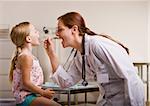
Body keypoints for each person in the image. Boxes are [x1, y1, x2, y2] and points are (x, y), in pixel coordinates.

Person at [44, 12, 145, 106]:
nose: (56, 34)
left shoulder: (97, 44)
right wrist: (51, 54)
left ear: (74, 29)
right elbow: (65, 83)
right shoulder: (80, 55)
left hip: (127, 100)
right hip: (107, 100)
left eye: (60, 29)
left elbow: (130, 77)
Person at [9, 22, 61, 106]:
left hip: (31, 95)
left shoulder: (28, 56)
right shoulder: (26, 57)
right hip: (26, 97)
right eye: (35, 31)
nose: (38, 33)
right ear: (28, 39)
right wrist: (43, 92)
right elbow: (26, 82)